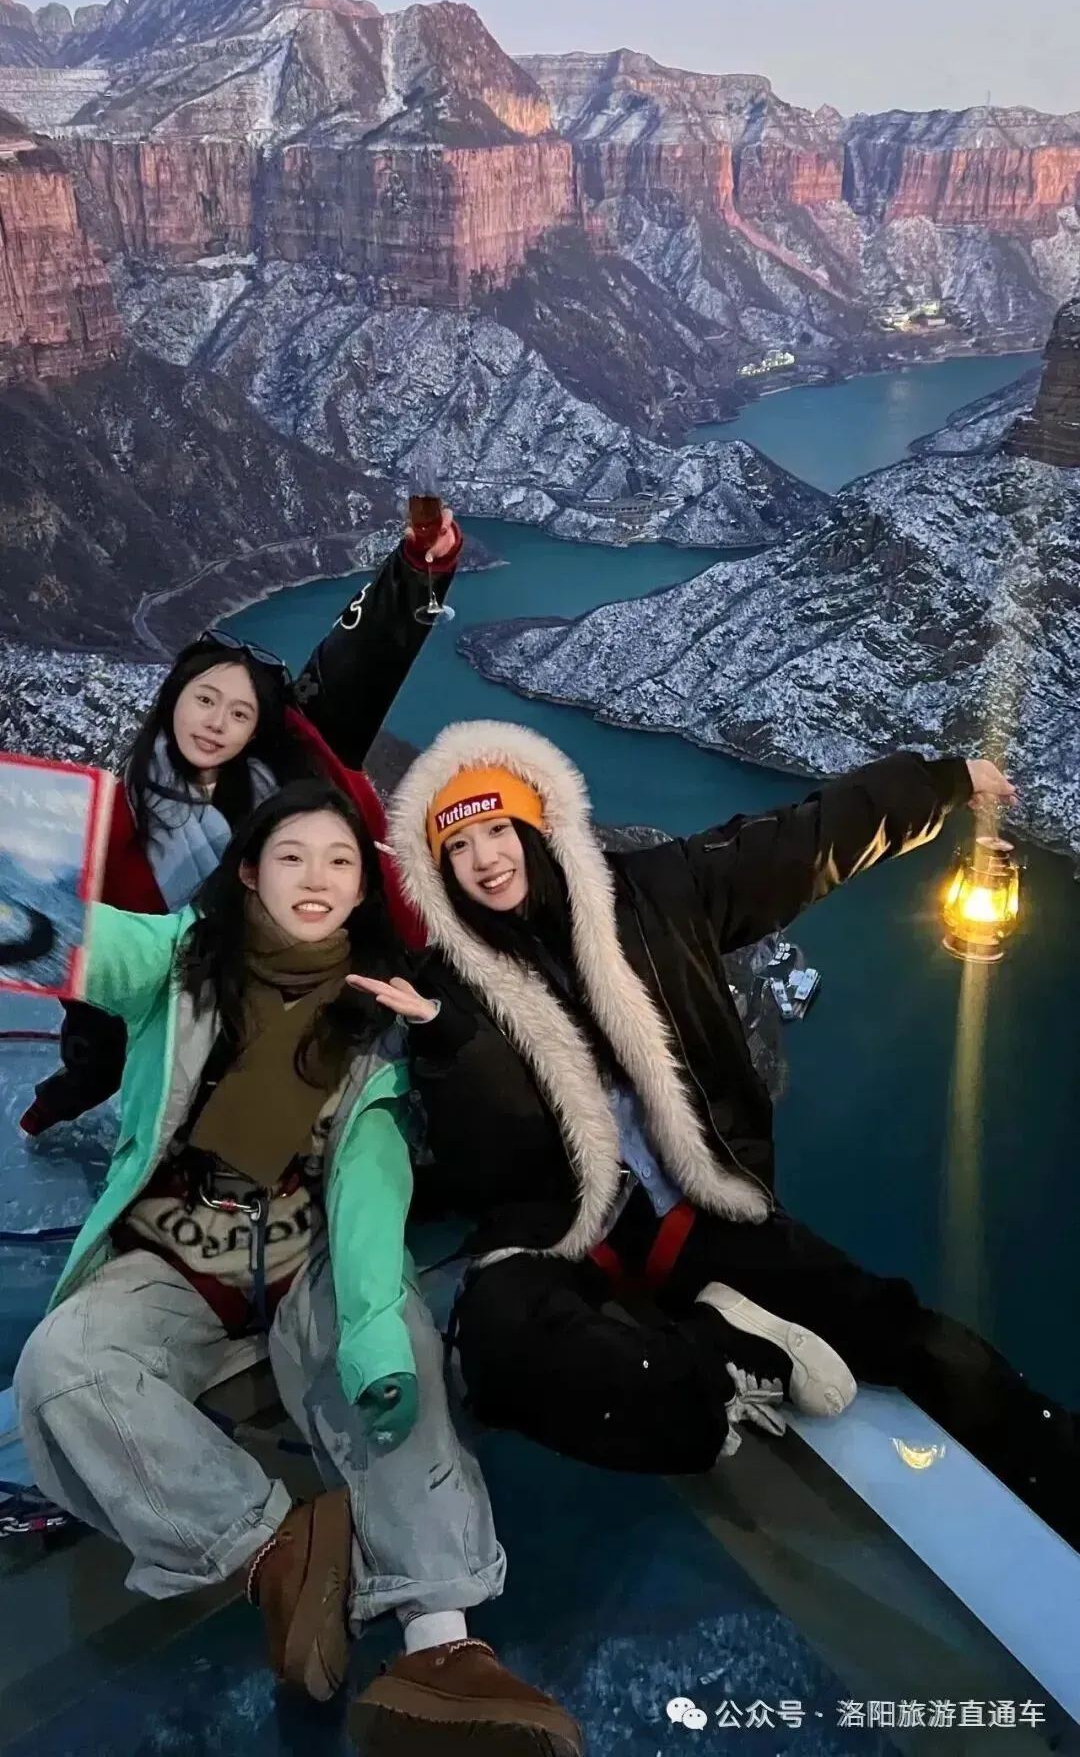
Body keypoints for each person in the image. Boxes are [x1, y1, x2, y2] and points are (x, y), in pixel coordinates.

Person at [361, 720, 1080, 1547]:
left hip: (698, 1203)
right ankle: (718, 1364)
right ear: (437, 871)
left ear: (538, 827)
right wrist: (451, 1048)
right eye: (458, 847)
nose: (486, 860)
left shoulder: (657, 895)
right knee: (496, 1349)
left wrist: (942, 783)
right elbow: (487, 1167)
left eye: (498, 830)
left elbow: (801, 843)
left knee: (887, 1324)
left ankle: (1060, 1462)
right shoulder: (443, 990)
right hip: (566, 1229)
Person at [13, 780, 582, 1757]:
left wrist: (370, 1325)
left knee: (395, 1364)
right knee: (63, 1366)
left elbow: (367, 1184)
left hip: (303, 1254)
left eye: (339, 862)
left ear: (362, 889)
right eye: (291, 856)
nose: (315, 878)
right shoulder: (181, 966)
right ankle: (275, 1553)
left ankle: (444, 1650)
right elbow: (81, 942)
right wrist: (19, 899)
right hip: (175, 1258)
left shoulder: (376, 1018)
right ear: (249, 873)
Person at [20, 512, 462, 1137]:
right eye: (204, 699)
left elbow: (357, 664)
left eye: (240, 712)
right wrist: (70, 1084)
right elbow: (90, 954)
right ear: (173, 700)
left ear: (258, 727)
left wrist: (419, 568)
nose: (216, 723)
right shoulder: (115, 818)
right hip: (183, 1022)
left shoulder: (286, 773)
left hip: (311, 999)